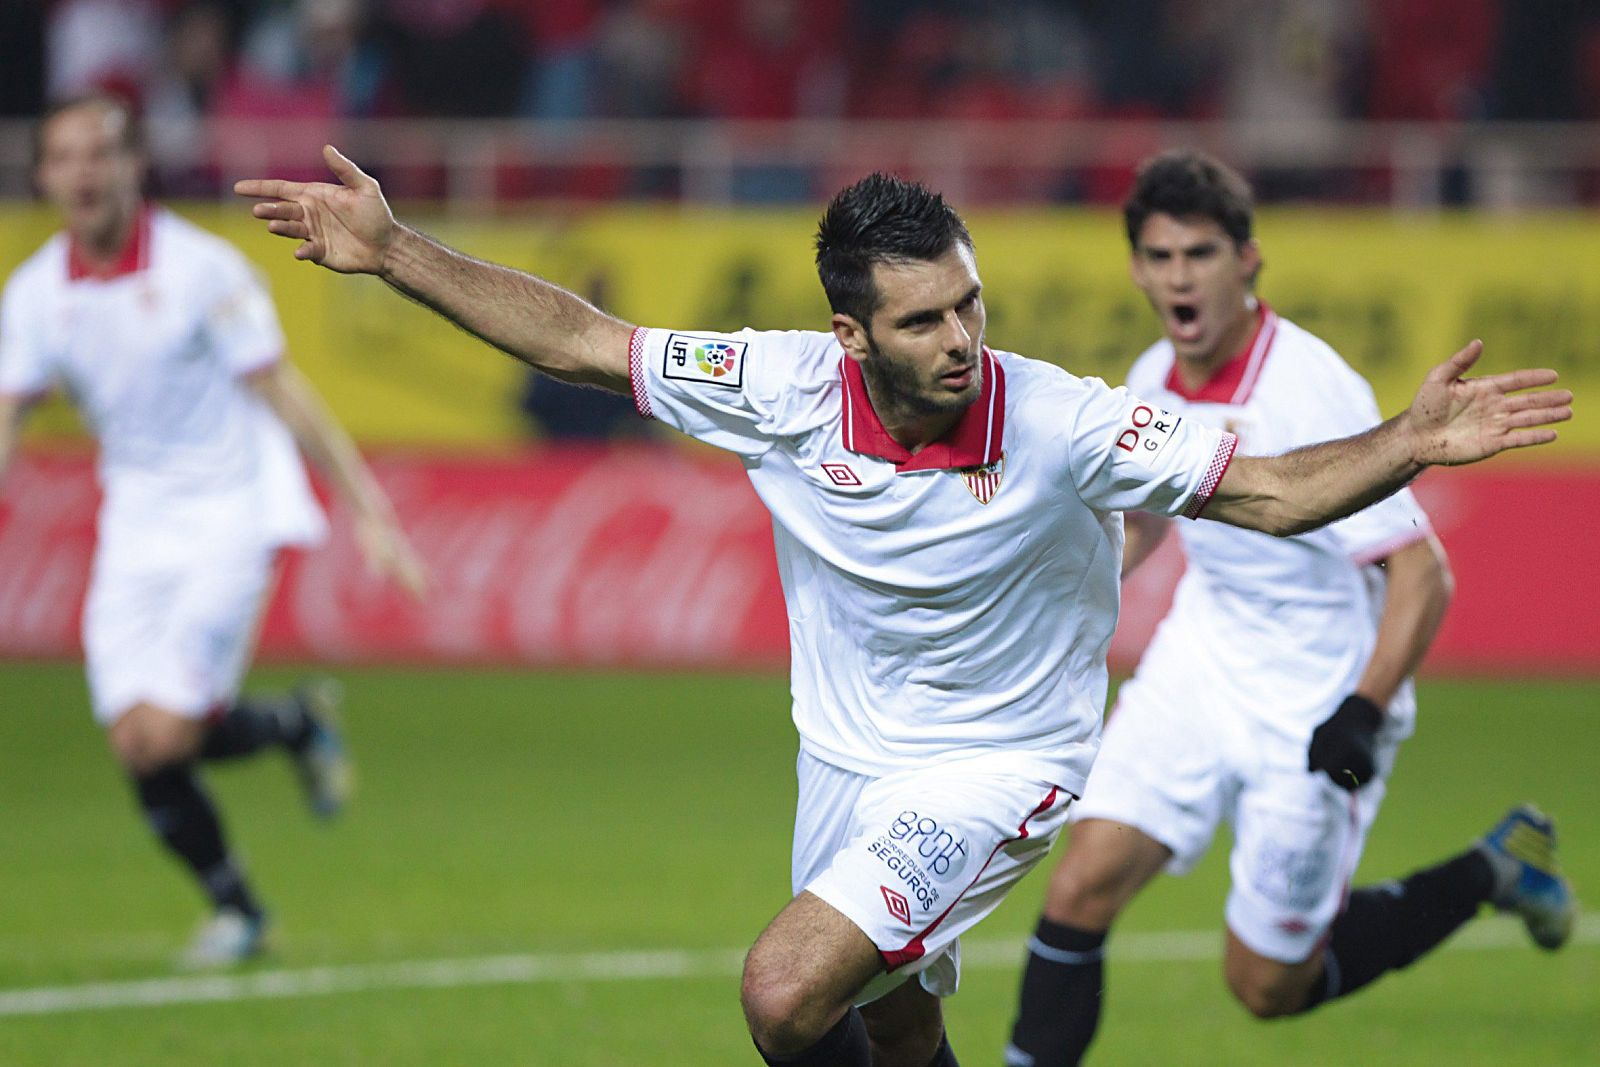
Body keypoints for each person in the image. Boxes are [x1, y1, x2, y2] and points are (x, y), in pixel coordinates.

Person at [235, 146, 1569, 1066]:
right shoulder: (777, 384)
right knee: (904, 1029)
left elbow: (1270, 490)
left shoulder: (1066, 419)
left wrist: (1407, 438)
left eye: (970, 304)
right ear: (848, 333)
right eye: (925, 318)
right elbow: (586, 339)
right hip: (849, 759)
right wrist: (398, 251)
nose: (962, 339)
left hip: (1003, 763)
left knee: (784, 989)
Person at [1004, 151, 1578, 1067]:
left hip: (1317, 690)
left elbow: (1421, 574)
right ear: (1136, 269)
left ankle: (1495, 866)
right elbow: (1147, 522)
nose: (1179, 276)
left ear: (1248, 261)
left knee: (1267, 985)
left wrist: (1364, 708)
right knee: (1077, 887)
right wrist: (1060, 585)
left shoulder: (1310, 387)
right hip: (1202, 661)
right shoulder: (1153, 373)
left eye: (1200, 253)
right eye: (1160, 256)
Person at [0, 95, 426, 968]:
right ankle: (259, 838)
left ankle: (259, 838)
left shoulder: (203, 271)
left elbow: (284, 392)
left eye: (99, 154)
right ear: (44, 176)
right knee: (135, 741)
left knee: (169, 732)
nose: (82, 172)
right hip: (135, 523)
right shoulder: (36, 293)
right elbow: (8, 415)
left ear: (131, 166)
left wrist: (370, 511)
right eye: (64, 157)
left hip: (234, 507)